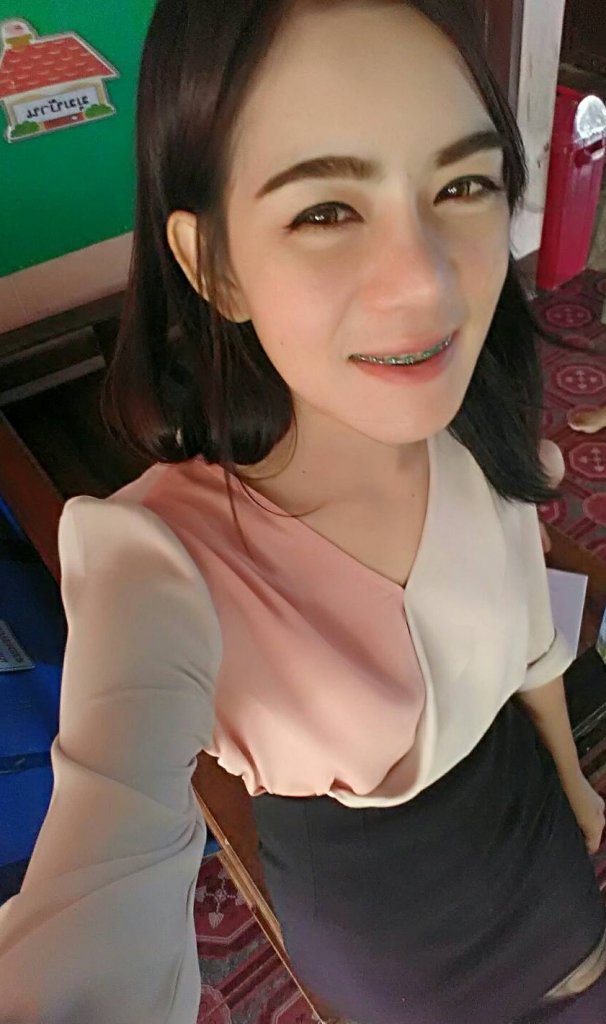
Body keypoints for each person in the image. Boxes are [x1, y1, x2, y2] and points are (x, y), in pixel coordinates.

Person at [0, 1, 605, 1021]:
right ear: (213, 264)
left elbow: (530, 637)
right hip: (382, 920)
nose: (426, 283)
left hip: (526, 816)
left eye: (461, 185)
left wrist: (572, 778)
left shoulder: (475, 425)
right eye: (325, 210)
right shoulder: (158, 561)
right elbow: (104, 857)